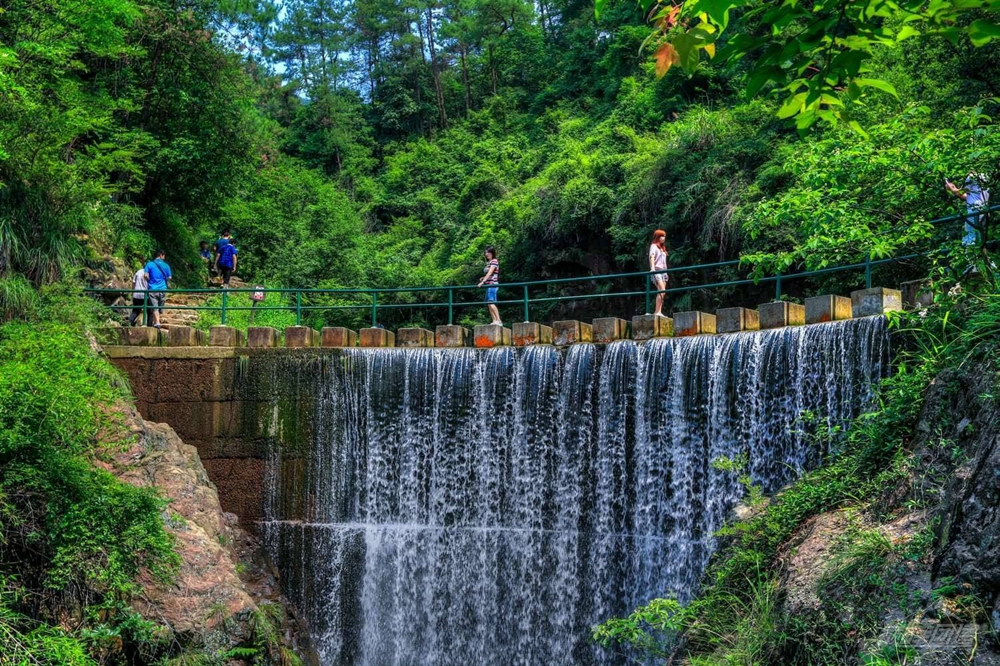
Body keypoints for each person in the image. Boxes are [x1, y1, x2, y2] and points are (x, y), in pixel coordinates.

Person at [946, 173, 990, 246]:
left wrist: (951, 188)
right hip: (983, 210)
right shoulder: (985, 175)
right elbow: (970, 196)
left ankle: (972, 256)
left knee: (970, 240)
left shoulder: (971, 176)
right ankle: (983, 256)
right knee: (979, 239)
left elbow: (961, 192)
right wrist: (954, 189)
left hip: (973, 211)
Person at [144, 249, 172, 328]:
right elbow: (169, 277)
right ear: (161, 255)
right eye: (164, 256)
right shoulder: (166, 265)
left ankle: (157, 322)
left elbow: (145, 275)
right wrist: (163, 279)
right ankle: (157, 322)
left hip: (152, 288)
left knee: (154, 306)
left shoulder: (150, 264)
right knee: (160, 307)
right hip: (163, 289)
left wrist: (150, 280)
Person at [477, 246, 501, 326]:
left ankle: (498, 320)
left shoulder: (494, 261)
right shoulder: (489, 262)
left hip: (492, 284)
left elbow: (490, 272)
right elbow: (490, 274)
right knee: (488, 303)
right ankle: (494, 320)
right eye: (485, 252)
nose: (486, 254)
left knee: (491, 302)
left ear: (492, 253)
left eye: (488, 252)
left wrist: (482, 282)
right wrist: (483, 278)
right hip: (488, 284)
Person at [649, 229, 669, 316]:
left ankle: (659, 311)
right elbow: (651, 256)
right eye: (661, 236)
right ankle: (657, 312)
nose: (663, 238)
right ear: (657, 237)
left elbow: (664, 261)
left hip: (664, 271)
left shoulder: (663, 248)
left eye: (664, 236)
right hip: (656, 270)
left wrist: (666, 272)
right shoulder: (653, 246)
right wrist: (652, 268)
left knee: (662, 292)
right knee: (662, 289)